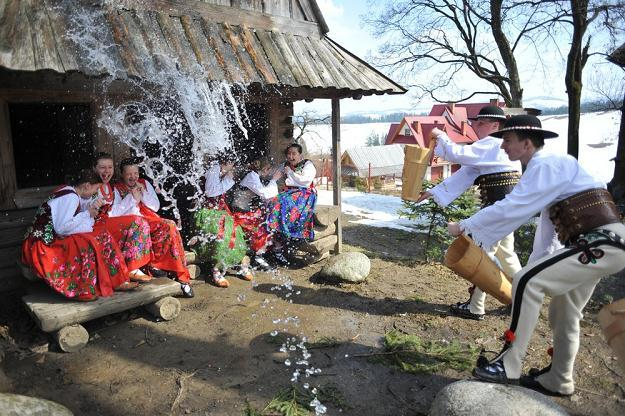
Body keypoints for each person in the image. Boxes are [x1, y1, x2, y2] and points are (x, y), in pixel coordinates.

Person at [446, 115, 625, 396]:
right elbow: (548, 230)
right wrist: (537, 266)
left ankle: (509, 364)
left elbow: (512, 207)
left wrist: (466, 225)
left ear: (526, 143)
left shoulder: (547, 164)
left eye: (507, 140)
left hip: (599, 244)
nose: (503, 146)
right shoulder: (548, 171)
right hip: (598, 246)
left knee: (526, 281)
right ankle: (559, 379)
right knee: (563, 311)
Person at [418, 105, 523, 320]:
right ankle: (524, 298)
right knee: (507, 255)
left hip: (495, 213)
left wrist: (441, 135)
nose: (475, 126)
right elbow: (466, 174)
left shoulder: (492, 144)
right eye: (475, 122)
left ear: (496, 125)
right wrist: (433, 192)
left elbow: (459, 153)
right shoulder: (492, 150)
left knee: (482, 258)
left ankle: (476, 307)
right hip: (506, 213)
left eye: (481, 123)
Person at [22, 170, 137, 301]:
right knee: (86, 244)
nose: (95, 193)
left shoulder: (71, 192)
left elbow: (74, 214)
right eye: (96, 189)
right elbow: (62, 228)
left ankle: (116, 280)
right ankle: (81, 289)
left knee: (100, 235)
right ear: (87, 185)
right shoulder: (70, 197)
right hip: (43, 243)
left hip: (47, 237)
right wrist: (87, 213)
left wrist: (90, 209)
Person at [113, 158, 194, 298]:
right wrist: (133, 198)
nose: (133, 177)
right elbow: (117, 214)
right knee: (141, 224)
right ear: (122, 174)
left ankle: (176, 270)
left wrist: (143, 193)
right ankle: (151, 265)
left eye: (136, 173)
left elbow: (155, 207)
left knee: (169, 225)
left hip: (149, 217)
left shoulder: (144, 183)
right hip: (131, 221)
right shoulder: (116, 188)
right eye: (129, 174)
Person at [92, 152, 153, 283]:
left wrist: (134, 198)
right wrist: (132, 199)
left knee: (141, 221)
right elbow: (109, 214)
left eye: (110, 167)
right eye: (102, 167)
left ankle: (142, 265)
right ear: (94, 169)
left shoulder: (109, 187)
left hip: (106, 222)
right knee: (138, 222)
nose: (107, 171)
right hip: (93, 226)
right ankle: (131, 268)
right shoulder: (90, 186)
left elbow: (114, 212)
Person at [266, 143, 317, 264]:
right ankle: (277, 242)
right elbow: (274, 174)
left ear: (300, 155)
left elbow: (304, 182)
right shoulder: (285, 165)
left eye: (294, 153)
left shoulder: (307, 165)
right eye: (288, 154)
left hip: (305, 193)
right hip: (288, 193)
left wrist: (289, 173)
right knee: (272, 202)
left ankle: (288, 240)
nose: (291, 156)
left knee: (282, 202)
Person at [231, 157, 282, 271]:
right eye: (269, 170)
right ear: (265, 169)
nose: (269, 173)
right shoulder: (252, 176)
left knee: (268, 219)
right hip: (239, 213)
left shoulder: (254, 176)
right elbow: (265, 194)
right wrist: (273, 180)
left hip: (245, 211)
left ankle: (262, 253)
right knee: (262, 226)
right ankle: (258, 256)